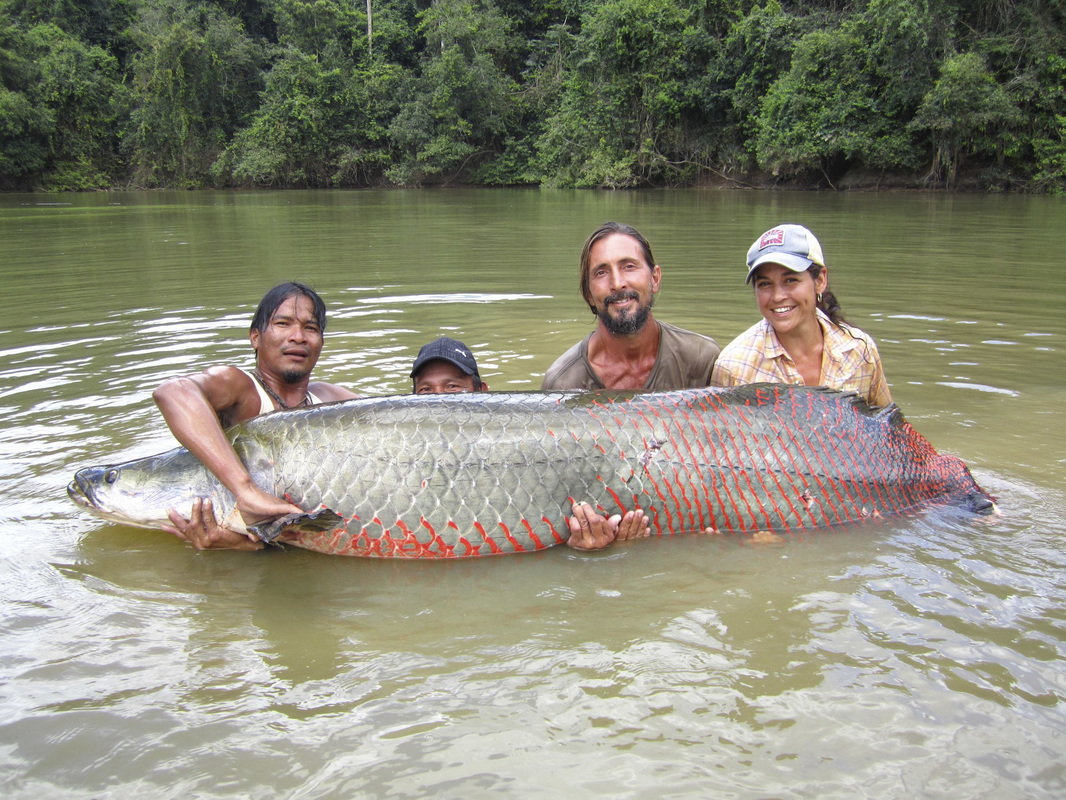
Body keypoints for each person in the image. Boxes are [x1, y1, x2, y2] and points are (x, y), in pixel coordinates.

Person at [155, 282, 360, 550]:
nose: (298, 336)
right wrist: (246, 491)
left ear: (320, 342)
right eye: (283, 323)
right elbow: (173, 391)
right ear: (255, 337)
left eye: (310, 328)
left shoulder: (331, 399)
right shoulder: (240, 388)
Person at [712, 224, 892, 408]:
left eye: (790, 280)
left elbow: (889, 427)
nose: (777, 296)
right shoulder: (734, 367)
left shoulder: (859, 350)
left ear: (820, 280)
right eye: (765, 284)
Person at [541, 221, 720, 391]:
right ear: (588, 295)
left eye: (629, 266)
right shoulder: (563, 383)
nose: (617, 283)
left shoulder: (702, 359)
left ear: (655, 279)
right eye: (601, 272)